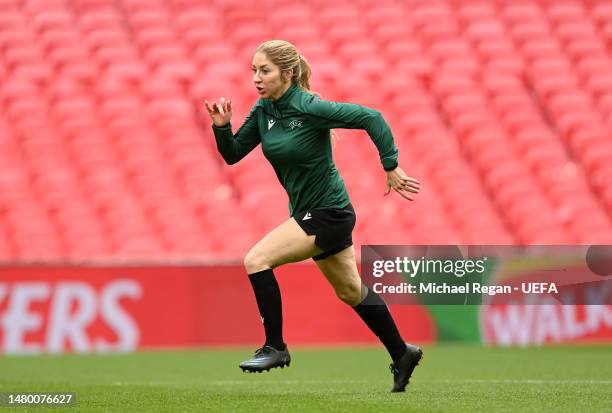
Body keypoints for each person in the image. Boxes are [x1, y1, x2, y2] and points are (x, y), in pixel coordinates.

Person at [203, 40, 422, 392]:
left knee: (257, 259)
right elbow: (232, 155)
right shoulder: (264, 111)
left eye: (265, 70)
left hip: (328, 213)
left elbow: (372, 117)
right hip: (313, 213)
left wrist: (391, 165)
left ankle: (275, 346)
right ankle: (402, 353)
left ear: (287, 73)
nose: (256, 78)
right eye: (254, 71)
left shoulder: (308, 106)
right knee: (351, 291)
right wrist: (221, 127)